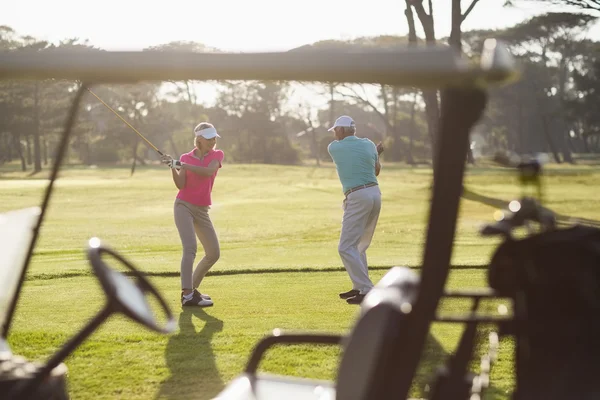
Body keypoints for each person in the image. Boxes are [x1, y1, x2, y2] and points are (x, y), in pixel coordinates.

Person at [162, 122, 224, 308]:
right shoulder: (185, 157)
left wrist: (182, 164)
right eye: (209, 138)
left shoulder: (217, 155)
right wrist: (173, 166)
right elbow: (181, 185)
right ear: (199, 140)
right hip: (183, 206)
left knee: (213, 253)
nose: (213, 141)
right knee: (190, 248)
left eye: (214, 137)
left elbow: (208, 172)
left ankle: (191, 291)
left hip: (202, 209)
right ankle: (187, 294)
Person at [327, 115, 384, 305]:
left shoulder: (334, 147)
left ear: (342, 130)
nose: (334, 133)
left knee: (345, 247)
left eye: (335, 130)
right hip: (375, 194)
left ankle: (367, 289)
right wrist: (375, 153)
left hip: (358, 196)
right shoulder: (368, 144)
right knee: (358, 246)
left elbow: (353, 158)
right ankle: (359, 286)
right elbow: (376, 170)